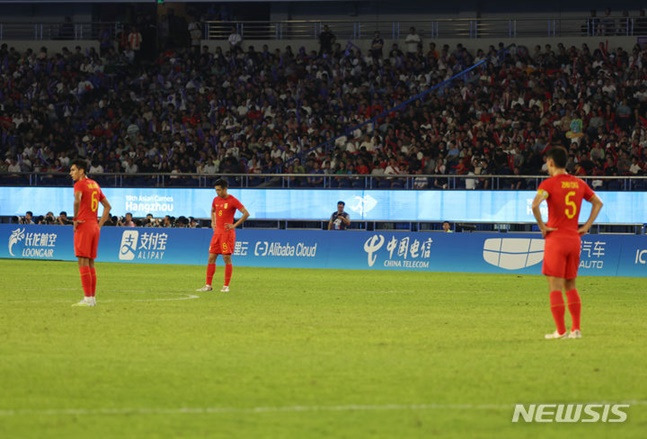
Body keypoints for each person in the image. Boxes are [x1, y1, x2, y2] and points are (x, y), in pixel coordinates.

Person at [531, 147, 603, 340]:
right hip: (574, 238)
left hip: (556, 239)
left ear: (551, 163)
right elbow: (598, 203)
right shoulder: (578, 184)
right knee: (571, 285)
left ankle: (561, 331)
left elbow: (535, 205)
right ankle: (576, 329)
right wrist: (586, 226)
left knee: (555, 286)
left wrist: (543, 227)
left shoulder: (549, 184)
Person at [69, 159, 112, 307]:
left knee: (82, 260)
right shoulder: (95, 184)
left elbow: (77, 201)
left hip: (84, 225)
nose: (71, 173)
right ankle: (92, 298)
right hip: (94, 226)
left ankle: (87, 299)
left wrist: (75, 219)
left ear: (81, 171)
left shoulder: (79, 184)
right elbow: (108, 207)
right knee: (90, 262)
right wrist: (99, 225)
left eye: (73, 170)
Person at [197, 178, 250, 293]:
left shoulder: (233, 200)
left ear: (225, 189)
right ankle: (208, 285)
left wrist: (234, 225)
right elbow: (213, 210)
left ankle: (226, 286)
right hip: (217, 234)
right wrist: (213, 222)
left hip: (227, 234)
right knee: (211, 258)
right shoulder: (216, 200)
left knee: (226, 258)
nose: (217, 192)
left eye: (219, 190)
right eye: (216, 190)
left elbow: (246, 213)